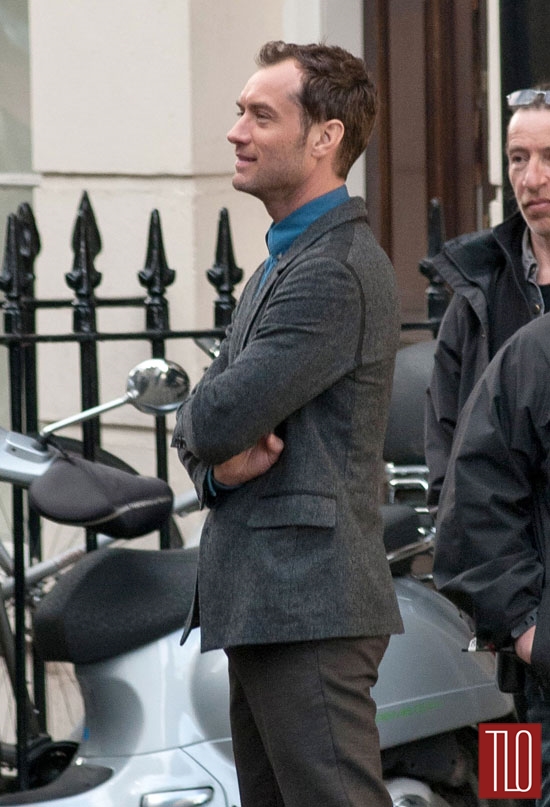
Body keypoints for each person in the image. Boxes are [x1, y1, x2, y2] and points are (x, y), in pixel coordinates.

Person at [171, 40, 403, 807]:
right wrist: (213, 464)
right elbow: (206, 427)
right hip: (274, 607)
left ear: (324, 138)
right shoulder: (283, 259)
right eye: (239, 111)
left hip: (309, 606)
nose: (236, 130)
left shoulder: (332, 269)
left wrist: (209, 439)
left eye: (260, 115)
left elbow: (214, 411)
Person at [433, 312, 550, 806]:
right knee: (511, 778)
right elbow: (449, 442)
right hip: (517, 641)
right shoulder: (479, 287)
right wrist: (524, 628)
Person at [425, 86, 550, 508]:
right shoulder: (479, 286)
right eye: (519, 158)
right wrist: (453, 526)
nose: (532, 179)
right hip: (494, 558)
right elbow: (445, 426)